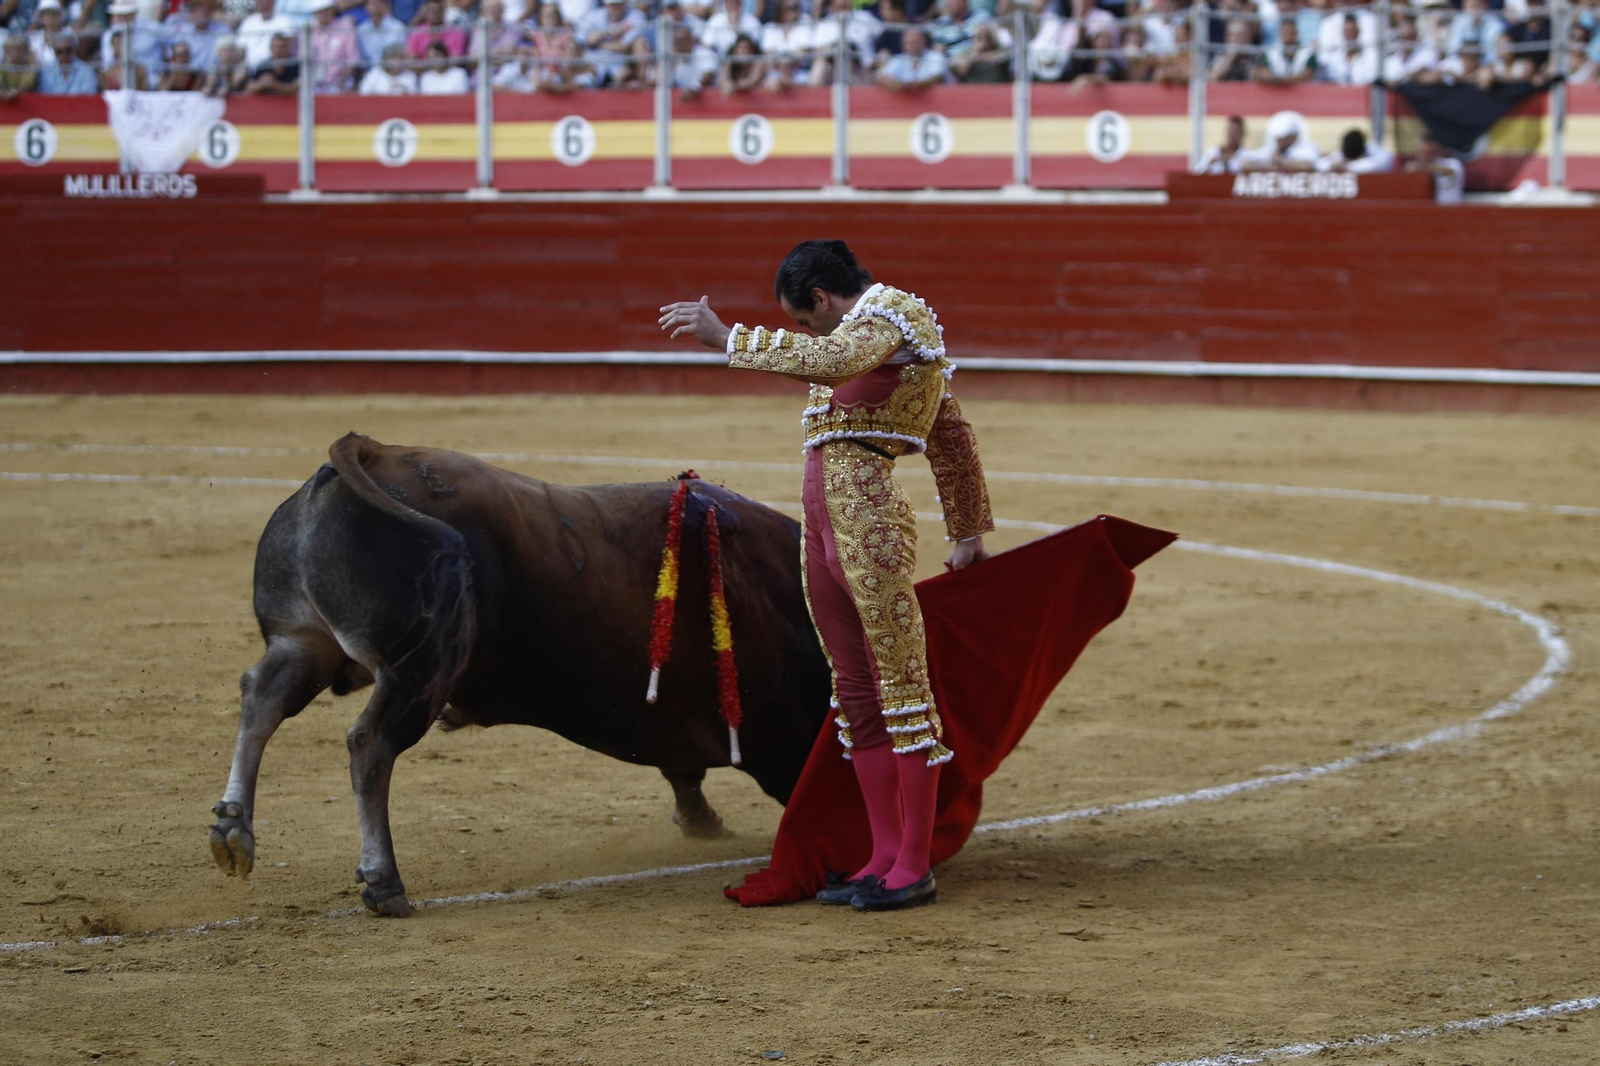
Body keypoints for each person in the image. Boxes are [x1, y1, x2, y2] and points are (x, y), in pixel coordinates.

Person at [659, 240, 995, 913]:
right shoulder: (860, 335)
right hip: (824, 528)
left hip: (870, 523)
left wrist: (730, 338)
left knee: (900, 687)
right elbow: (950, 430)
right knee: (857, 694)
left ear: (818, 297)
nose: (810, 335)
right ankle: (881, 853)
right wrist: (967, 529)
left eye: (805, 320)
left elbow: (927, 415)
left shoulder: (894, 317)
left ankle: (913, 864)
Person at [1234, 108, 1318, 171]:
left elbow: (1308, 166)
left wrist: (1280, 162)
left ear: (1293, 137)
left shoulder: (1307, 148)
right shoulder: (1271, 149)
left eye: (1283, 137)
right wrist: (1269, 167)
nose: (1279, 140)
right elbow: (1245, 163)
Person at [876, 23, 945, 88]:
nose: (912, 46)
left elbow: (937, 78)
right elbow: (880, 76)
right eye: (908, 43)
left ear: (924, 42)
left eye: (915, 42)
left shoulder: (935, 56)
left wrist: (906, 86)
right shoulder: (898, 59)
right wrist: (891, 82)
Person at [1406, 134, 1464, 203]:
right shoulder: (1418, 168)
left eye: (1428, 152)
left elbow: (1449, 171)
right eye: (1421, 152)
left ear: (1437, 150)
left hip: (1449, 209)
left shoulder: (1452, 163)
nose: (1424, 156)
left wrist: (1421, 167)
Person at [1318, 127, 1394, 173]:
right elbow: (1320, 164)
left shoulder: (1374, 152)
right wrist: (1334, 165)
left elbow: (1386, 158)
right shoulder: (1343, 153)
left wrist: (1347, 166)